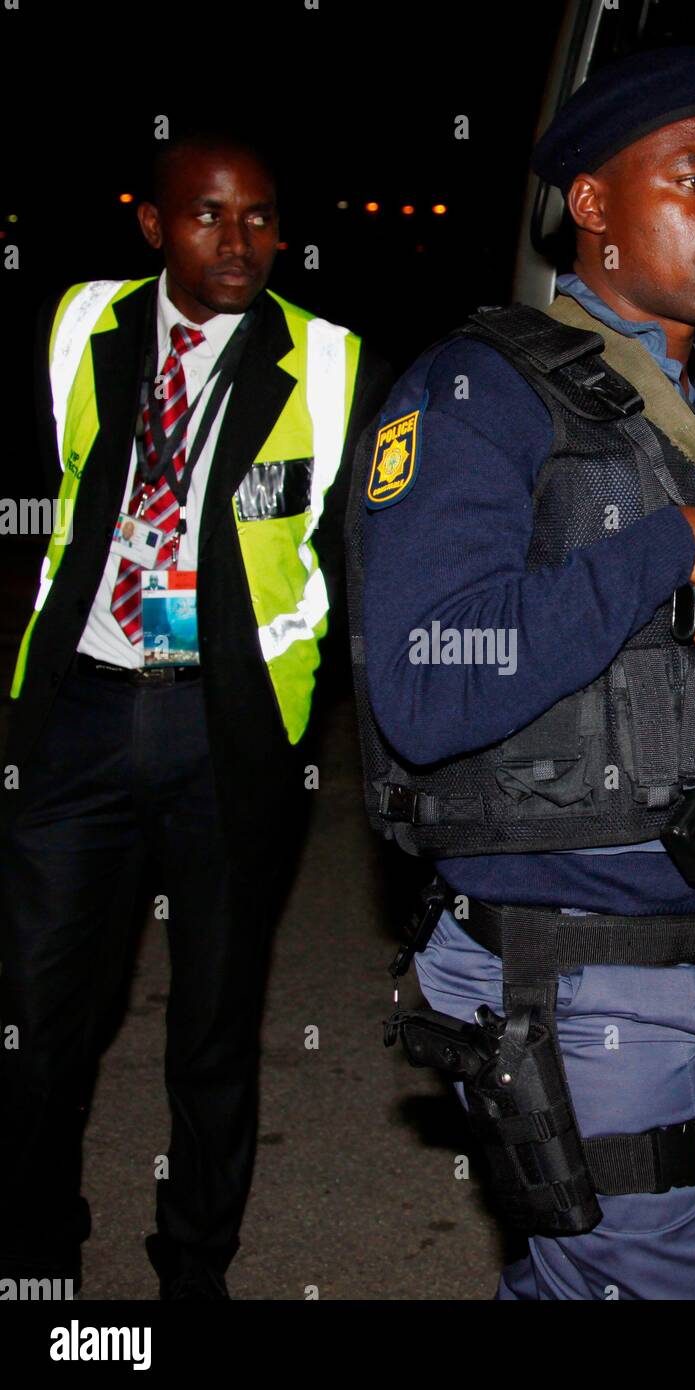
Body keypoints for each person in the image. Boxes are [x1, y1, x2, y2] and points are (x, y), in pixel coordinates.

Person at [348, 47, 695, 1299]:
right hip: (576, 978)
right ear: (589, 205)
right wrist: (660, 549)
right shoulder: (475, 394)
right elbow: (423, 687)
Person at [0, 131, 389, 1299]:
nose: (239, 241)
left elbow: (360, 564)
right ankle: (34, 1255)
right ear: (153, 226)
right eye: (209, 216)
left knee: (214, 1024)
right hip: (77, 713)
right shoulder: (78, 325)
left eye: (261, 218)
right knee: (36, 1010)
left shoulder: (328, 362)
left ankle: (193, 1271)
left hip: (228, 736)